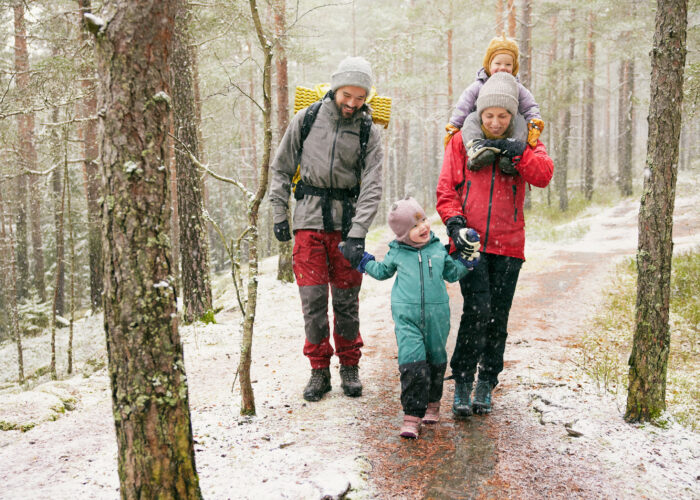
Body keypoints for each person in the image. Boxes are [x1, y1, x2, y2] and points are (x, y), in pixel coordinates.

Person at [436, 72, 554, 417]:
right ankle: (461, 380)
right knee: (477, 310)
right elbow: (446, 189)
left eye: (503, 116)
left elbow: (543, 175)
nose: (496, 122)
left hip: (509, 245)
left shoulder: (526, 141)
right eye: (489, 115)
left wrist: (517, 151)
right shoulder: (461, 141)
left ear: (514, 115)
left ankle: (486, 381)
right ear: (479, 112)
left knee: (497, 316)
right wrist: (454, 224)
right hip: (470, 243)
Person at [269, 56, 384, 402]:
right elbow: (281, 167)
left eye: (359, 97)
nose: (352, 103)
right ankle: (319, 370)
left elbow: (372, 186)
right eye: (347, 94)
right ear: (335, 88)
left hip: (347, 228)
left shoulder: (368, 130)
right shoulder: (306, 119)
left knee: (347, 302)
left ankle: (349, 366)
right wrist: (278, 212)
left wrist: (359, 231)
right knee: (313, 301)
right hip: (308, 223)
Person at [353, 197, 477, 438]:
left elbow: (452, 274)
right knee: (412, 362)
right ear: (402, 235)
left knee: (436, 360)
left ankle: (433, 402)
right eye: (414, 225)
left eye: (423, 220)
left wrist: (467, 261)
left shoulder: (437, 250)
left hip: (437, 316)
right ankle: (411, 414)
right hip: (406, 317)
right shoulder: (397, 252)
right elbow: (381, 272)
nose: (423, 227)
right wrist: (362, 261)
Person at [444, 35, 544, 151]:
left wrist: (534, 122)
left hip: (507, 128)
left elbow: (529, 106)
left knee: (520, 122)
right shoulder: (479, 86)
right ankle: (476, 149)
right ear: (489, 64)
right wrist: (454, 125)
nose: (502, 68)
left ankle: (513, 151)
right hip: (483, 125)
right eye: (498, 63)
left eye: (508, 65)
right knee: (471, 119)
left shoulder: (516, 88)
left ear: (514, 67)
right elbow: (464, 105)